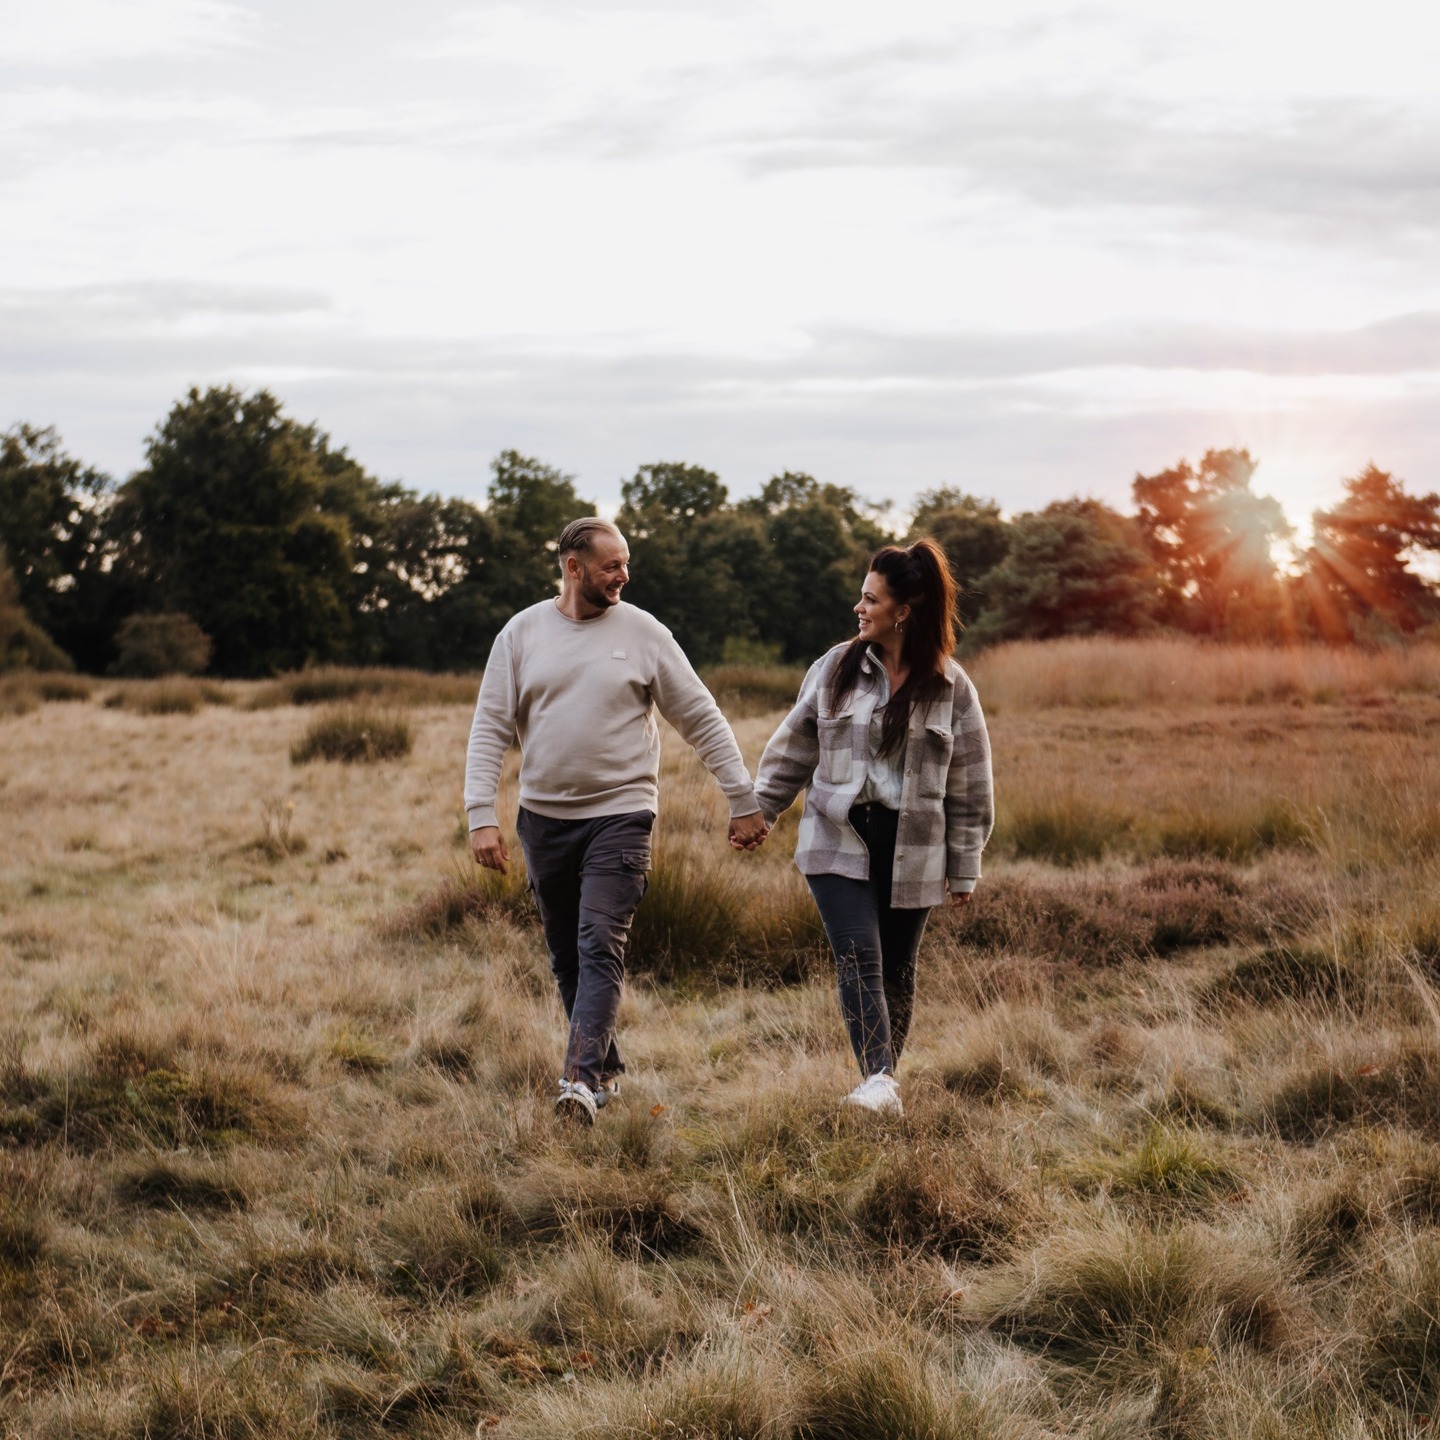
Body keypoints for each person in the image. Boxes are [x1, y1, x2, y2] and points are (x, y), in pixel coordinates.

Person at [465, 517, 768, 1124]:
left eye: (626, 563)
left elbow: (701, 718)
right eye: (611, 565)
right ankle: (603, 1071)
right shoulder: (521, 634)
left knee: (600, 942)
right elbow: (490, 726)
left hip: (622, 815)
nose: (624, 575)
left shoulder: (645, 633)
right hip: (543, 820)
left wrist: (742, 796)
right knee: (567, 958)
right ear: (573, 568)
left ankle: (576, 1083)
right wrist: (481, 815)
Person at [752, 540, 993, 1117]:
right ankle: (881, 1078)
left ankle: (881, 1086)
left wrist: (965, 868)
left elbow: (970, 783)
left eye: (870, 599)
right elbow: (794, 747)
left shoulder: (950, 686)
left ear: (903, 611)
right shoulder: (834, 667)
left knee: (897, 972)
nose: (859, 608)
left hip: (914, 847)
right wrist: (760, 811)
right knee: (859, 955)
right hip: (838, 836)